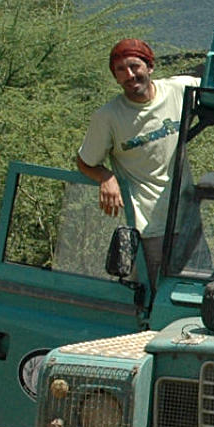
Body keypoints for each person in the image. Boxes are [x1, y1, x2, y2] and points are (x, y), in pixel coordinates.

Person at [75, 38, 191, 278]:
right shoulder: (107, 117)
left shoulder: (181, 90)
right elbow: (84, 162)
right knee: (154, 301)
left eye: (135, 66)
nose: (129, 75)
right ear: (115, 77)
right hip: (148, 228)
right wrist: (105, 176)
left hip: (188, 219)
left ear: (149, 66)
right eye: (120, 70)